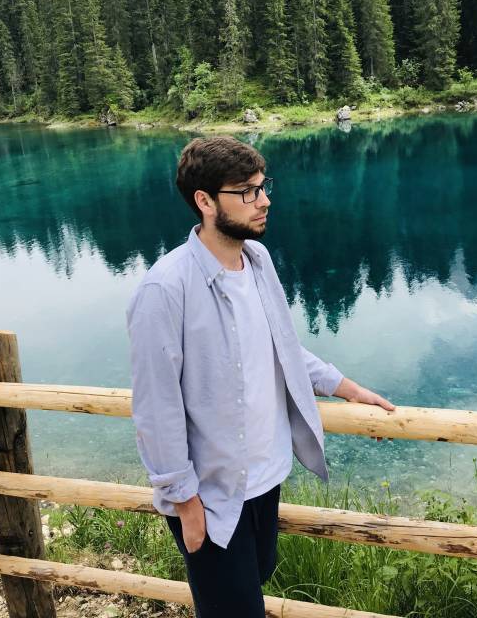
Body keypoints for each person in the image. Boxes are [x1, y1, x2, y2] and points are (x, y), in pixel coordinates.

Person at [126, 135, 395, 618]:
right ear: (205, 201)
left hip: (266, 476)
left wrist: (348, 389)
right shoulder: (164, 289)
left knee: (257, 577)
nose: (264, 200)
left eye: (263, 186)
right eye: (247, 191)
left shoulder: (258, 260)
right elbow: (155, 407)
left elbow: (282, 348)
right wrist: (185, 502)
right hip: (212, 494)